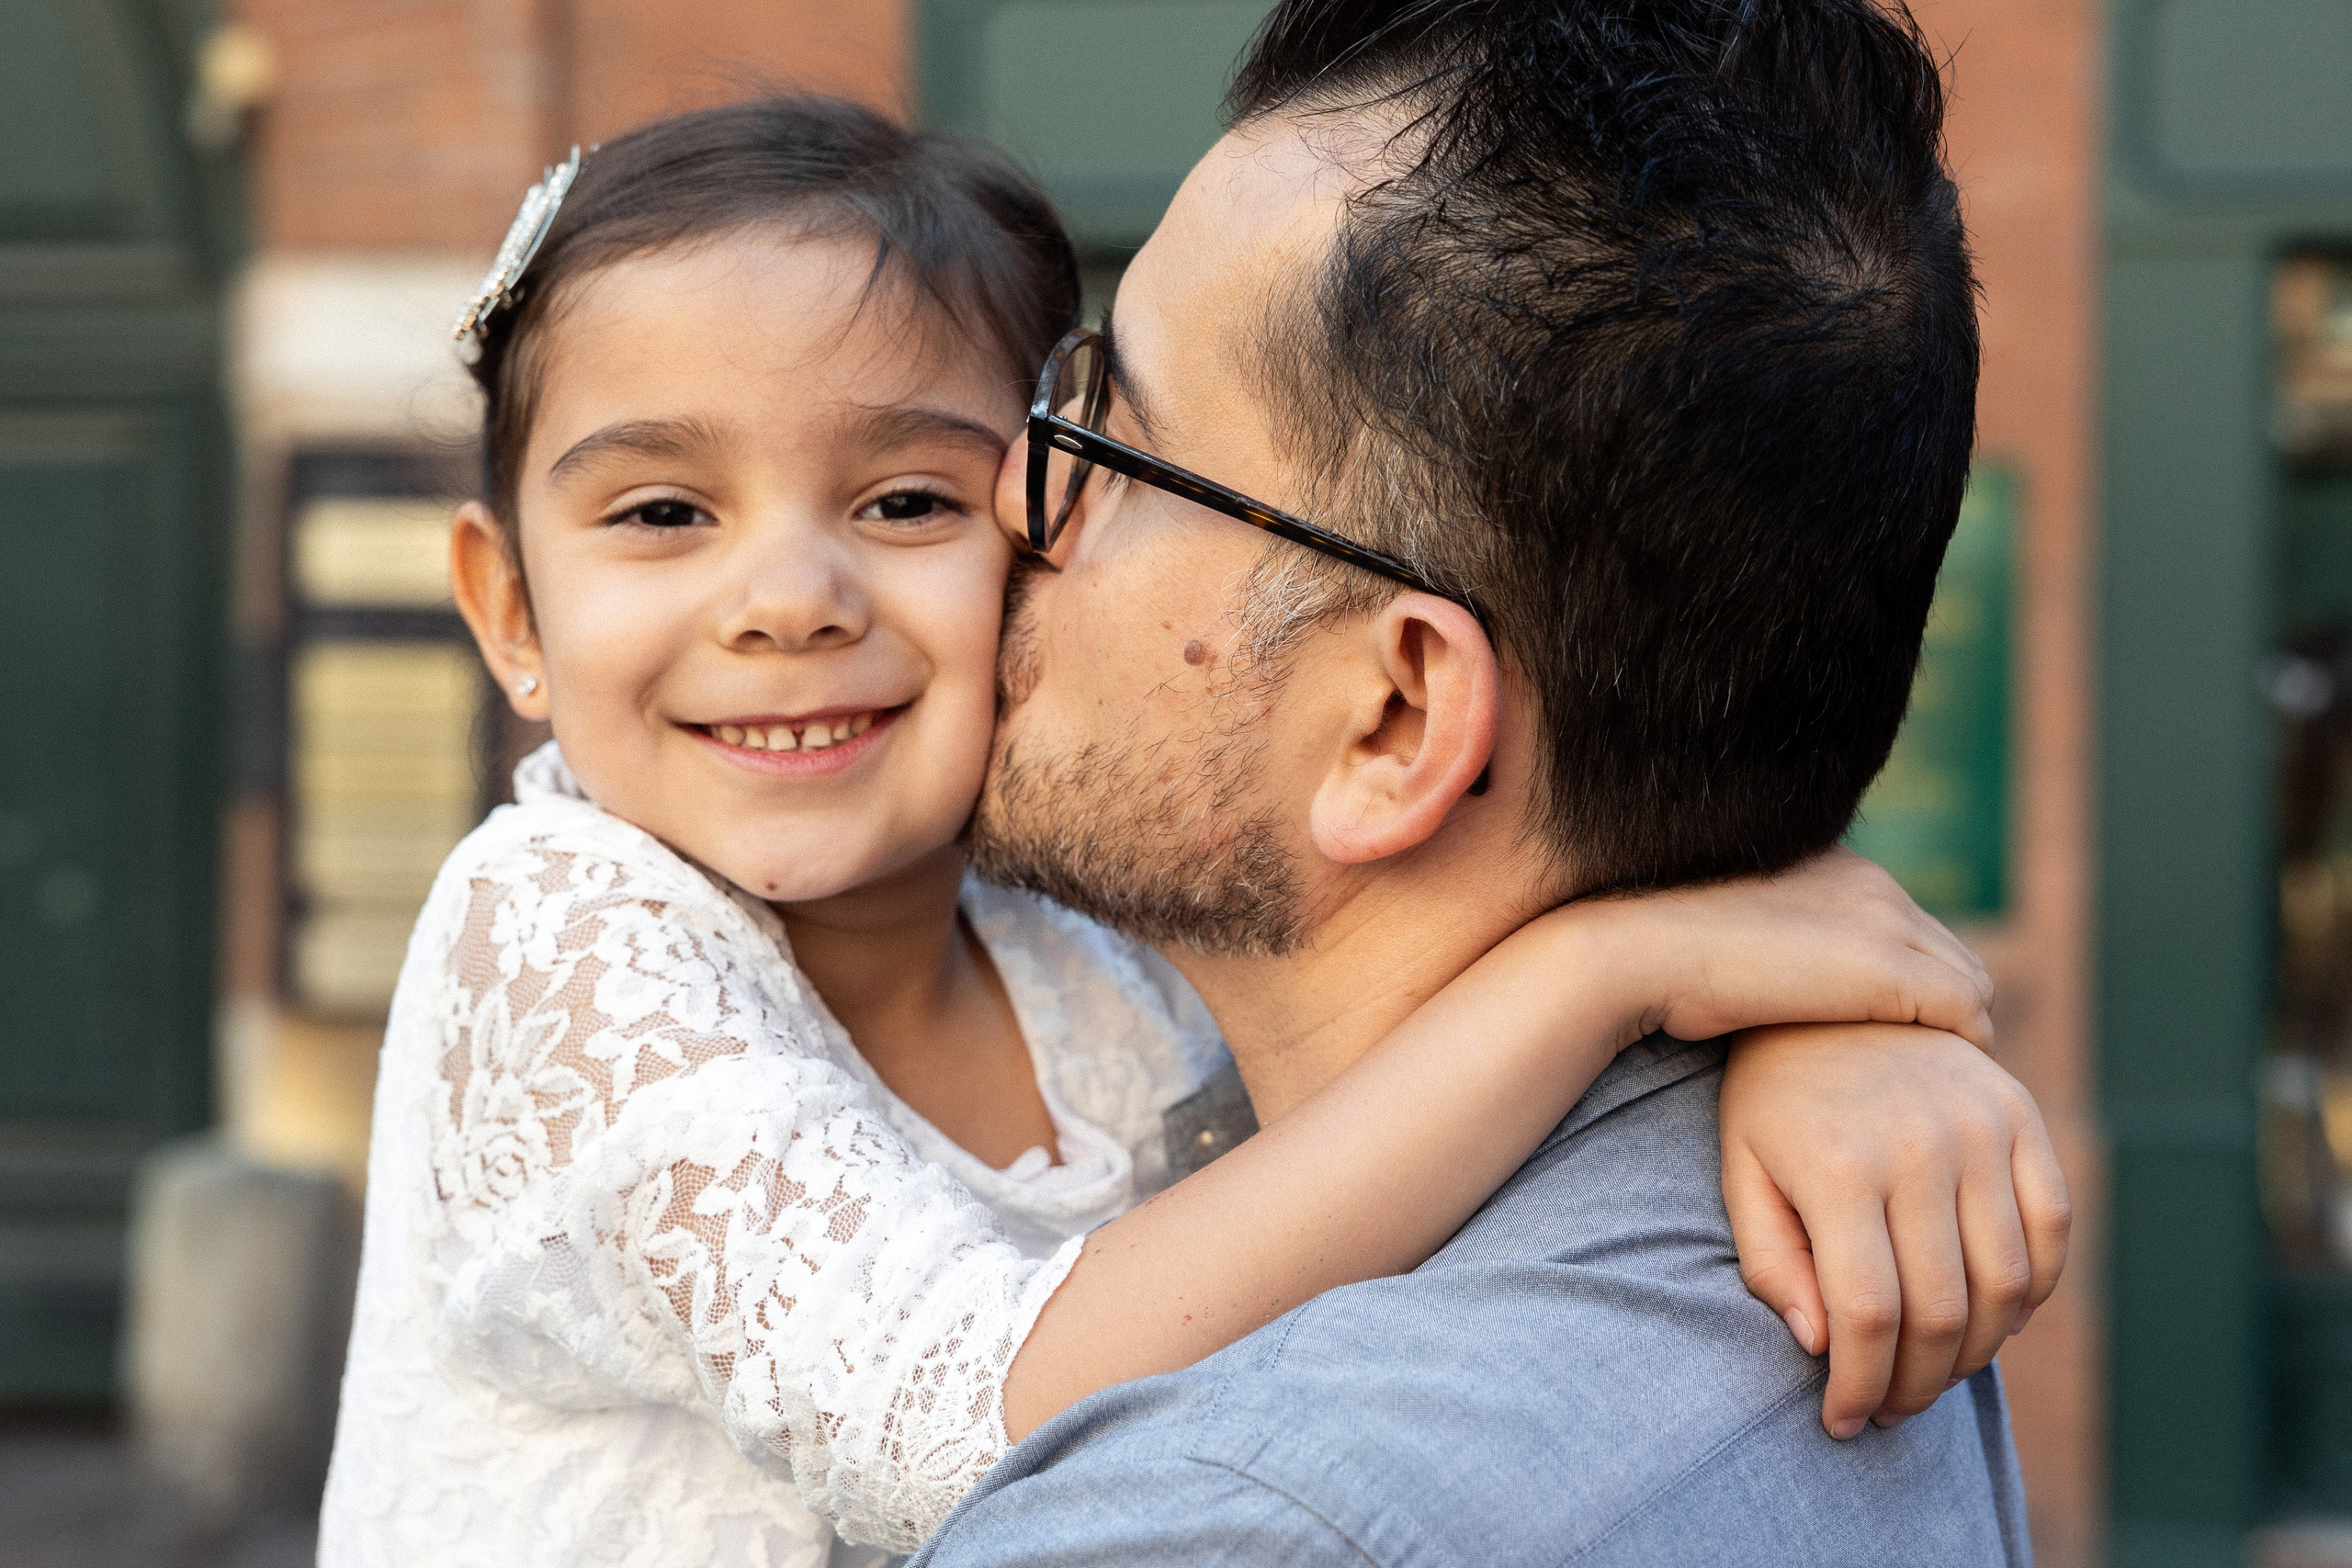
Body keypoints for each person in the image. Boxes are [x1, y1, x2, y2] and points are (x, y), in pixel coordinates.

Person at [320, 85, 2056, 1568]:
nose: (790, 598)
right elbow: (968, 1421)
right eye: (660, 512)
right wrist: (1616, 973)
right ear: (508, 608)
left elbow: (1517, 853)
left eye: (909, 499)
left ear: (1022, 533)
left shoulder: (1072, 931)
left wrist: (1819, 1023)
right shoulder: (555, 933)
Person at [911, 1, 2047, 1563]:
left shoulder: (1220, 1525)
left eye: (1116, 435)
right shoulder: (1843, 1236)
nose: (1011, 493)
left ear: (1395, 718)